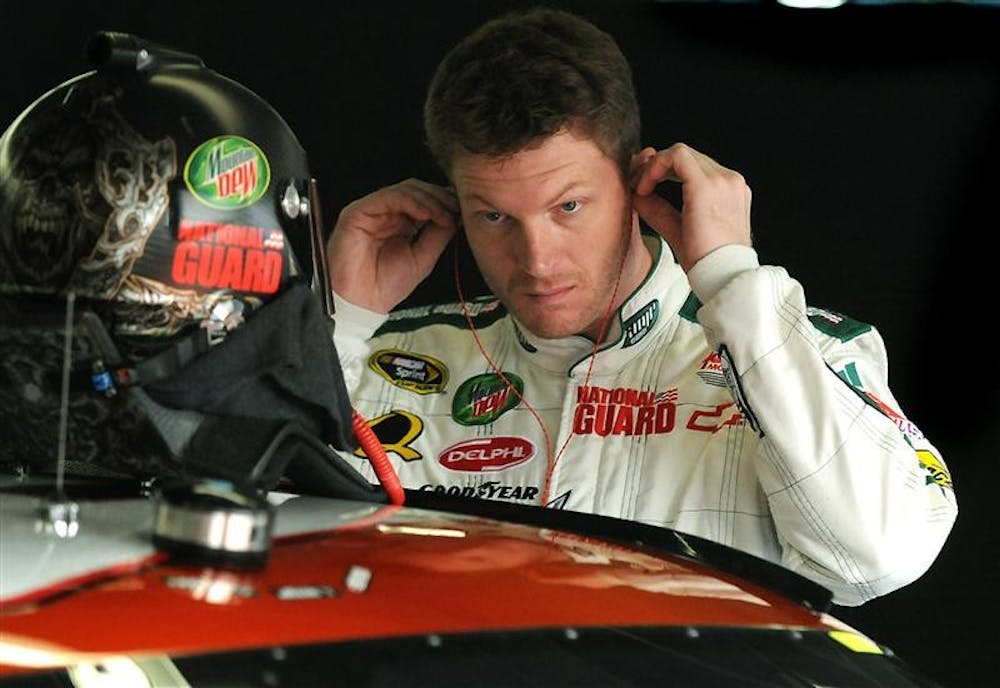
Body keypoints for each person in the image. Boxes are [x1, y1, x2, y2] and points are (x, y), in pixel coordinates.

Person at [324, 6, 956, 606]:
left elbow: (876, 558)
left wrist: (734, 278)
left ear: (637, 181)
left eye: (568, 207)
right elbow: (240, 532)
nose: (537, 260)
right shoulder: (381, 358)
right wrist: (335, 323)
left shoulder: (809, 353)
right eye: (493, 216)